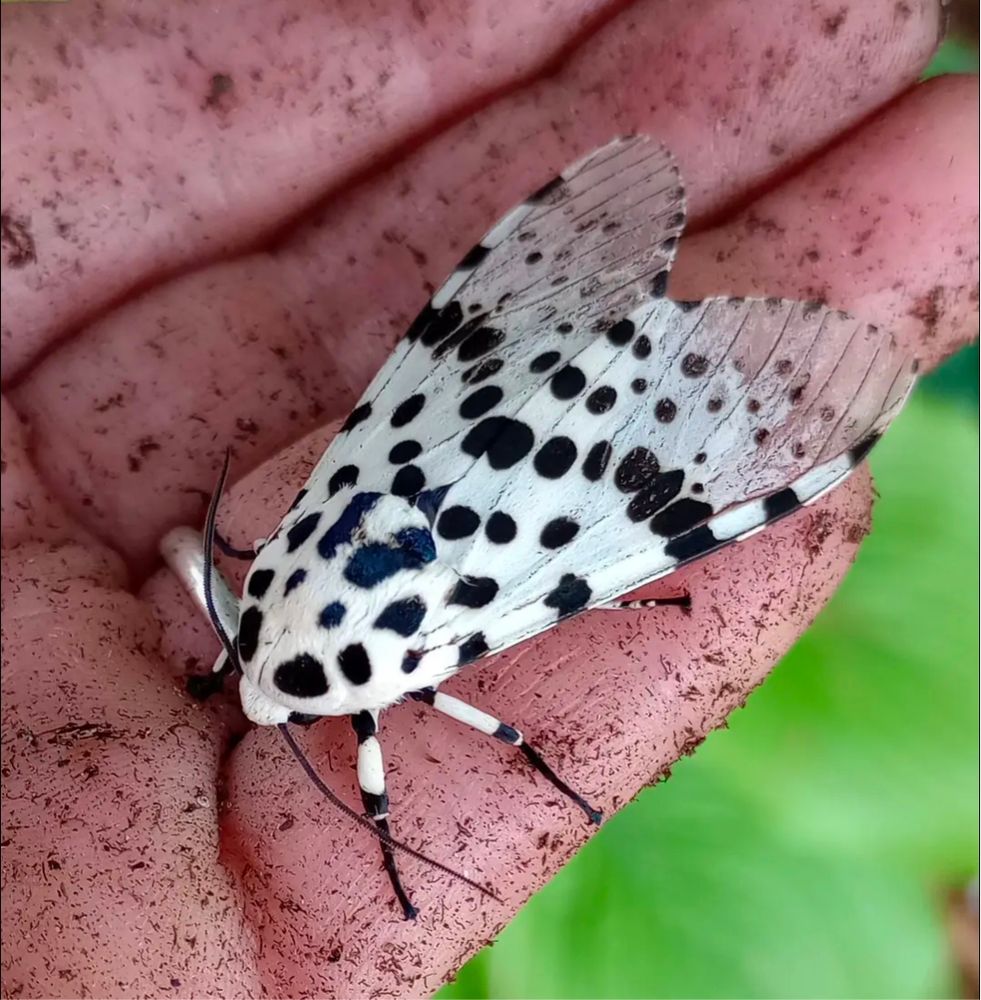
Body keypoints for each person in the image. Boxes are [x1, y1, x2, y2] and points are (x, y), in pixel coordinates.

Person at [2, 0, 976, 996]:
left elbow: (489, 722)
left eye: (245, 662)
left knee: (610, 548)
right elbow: (251, 618)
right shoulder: (273, 576)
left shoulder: (393, 665)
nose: (252, 683)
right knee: (537, 470)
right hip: (462, 434)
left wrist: (465, 779)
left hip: (536, 510)